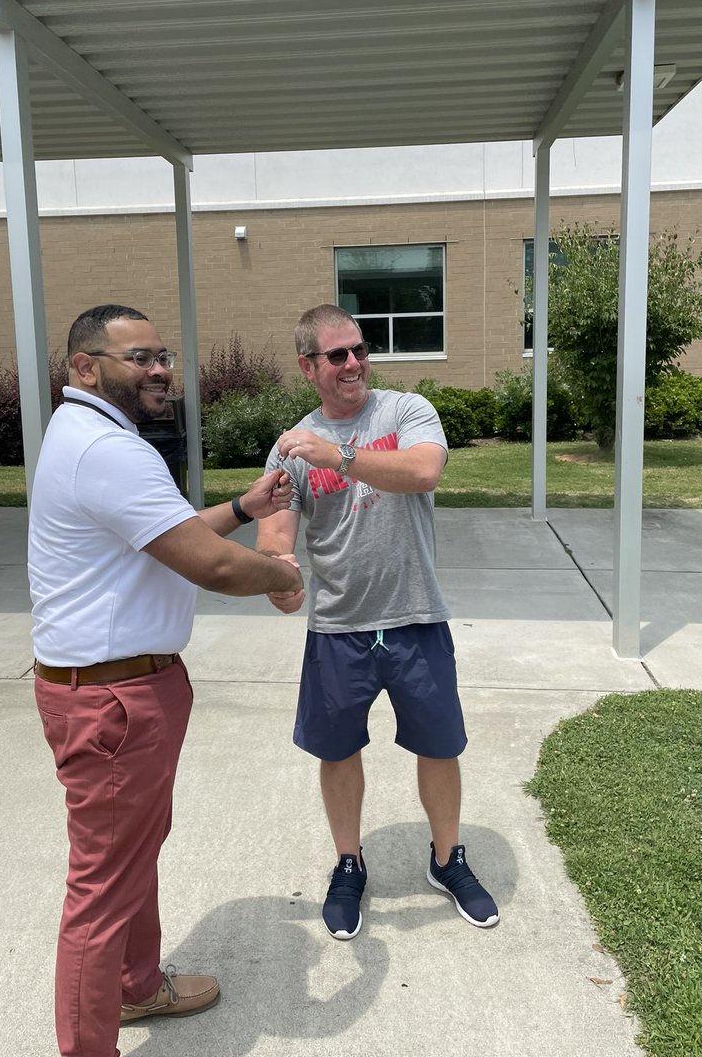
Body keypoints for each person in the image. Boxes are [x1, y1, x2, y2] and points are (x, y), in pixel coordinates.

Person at [28, 304, 302, 1057]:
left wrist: (245, 508)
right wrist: (279, 573)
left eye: (162, 356)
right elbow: (209, 566)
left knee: (129, 856)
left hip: (116, 689)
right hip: (115, 701)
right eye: (137, 358)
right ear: (84, 368)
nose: (159, 371)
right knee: (101, 891)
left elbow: (165, 539)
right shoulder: (108, 450)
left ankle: (138, 984)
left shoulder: (89, 436)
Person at [255, 304, 498, 941]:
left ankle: (448, 860)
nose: (354, 364)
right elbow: (275, 527)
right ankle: (349, 862)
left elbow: (423, 470)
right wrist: (279, 569)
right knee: (338, 752)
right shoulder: (293, 444)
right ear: (309, 366)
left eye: (360, 350)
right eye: (337, 356)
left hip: (417, 616)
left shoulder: (405, 411)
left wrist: (337, 454)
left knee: (440, 746)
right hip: (338, 628)